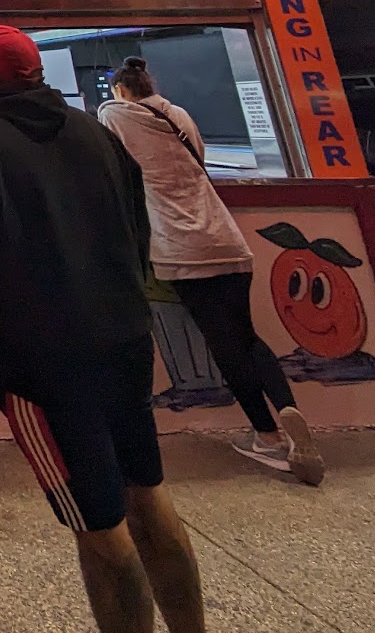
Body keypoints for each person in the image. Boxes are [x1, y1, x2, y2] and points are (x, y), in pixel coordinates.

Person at [0, 24, 205, 633]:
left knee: (100, 528)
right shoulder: (95, 131)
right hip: (125, 336)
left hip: (42, 357)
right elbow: (137, 226)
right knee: (147, 493)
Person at [99, 56, 324, 486]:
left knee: (223, 344)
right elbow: (197, 159)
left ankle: (267, 434)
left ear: (119, 89)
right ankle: (287, 406)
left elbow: (110, 172)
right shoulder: (176, 113)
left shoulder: (113, 113)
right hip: (225, 239)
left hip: (181, 249)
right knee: (247, 335)